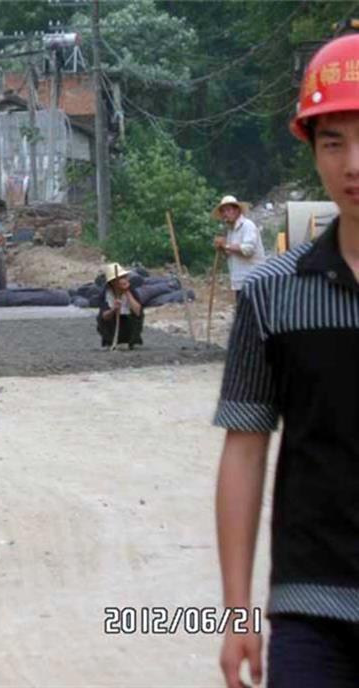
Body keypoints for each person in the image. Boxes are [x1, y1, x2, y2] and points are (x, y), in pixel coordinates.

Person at [215, 32, 359, 688]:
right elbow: (244, 451)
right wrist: (237, 611)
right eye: (333, 141)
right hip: (310, 609)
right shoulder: (271, 294)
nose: (352, 164)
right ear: (310, 147)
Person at [211, 195, 266, 299]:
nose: (225, 214)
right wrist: (222, 248)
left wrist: (225, 245)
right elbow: (230, 254)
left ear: (237, 211)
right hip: (239, 281)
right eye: (223, 211)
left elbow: (248, 250)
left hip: (253, 280)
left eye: (228, 210)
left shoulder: (247, 225)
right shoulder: (230, 231)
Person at [96, 263, 144, 349]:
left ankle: (131, 341)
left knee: (136, 318)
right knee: (101, 319)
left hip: (128, 324)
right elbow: (104, 316)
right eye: (121, 278)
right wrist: (113, 309)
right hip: (112, 326)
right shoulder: (106, 294)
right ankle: (110, 342)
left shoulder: (131, 291)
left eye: (124, 277)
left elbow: (138, 312)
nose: (124, 280)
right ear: (113, 282)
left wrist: (126, 292)